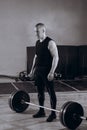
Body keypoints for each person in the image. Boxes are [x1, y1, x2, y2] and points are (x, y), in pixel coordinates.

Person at [29, 23, 59, 122]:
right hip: (38, 71)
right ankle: (41, 111)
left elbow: (56, 57)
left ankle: (53, 113)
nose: (36, 34)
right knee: (40, 92)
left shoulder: (50, 42)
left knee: (51, 92)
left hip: (47, 71)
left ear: (43, 31)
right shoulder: (37, 42)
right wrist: (32, 70)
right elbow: (36, 57)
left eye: (37, 32)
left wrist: (52, 72)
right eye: (35, 32)